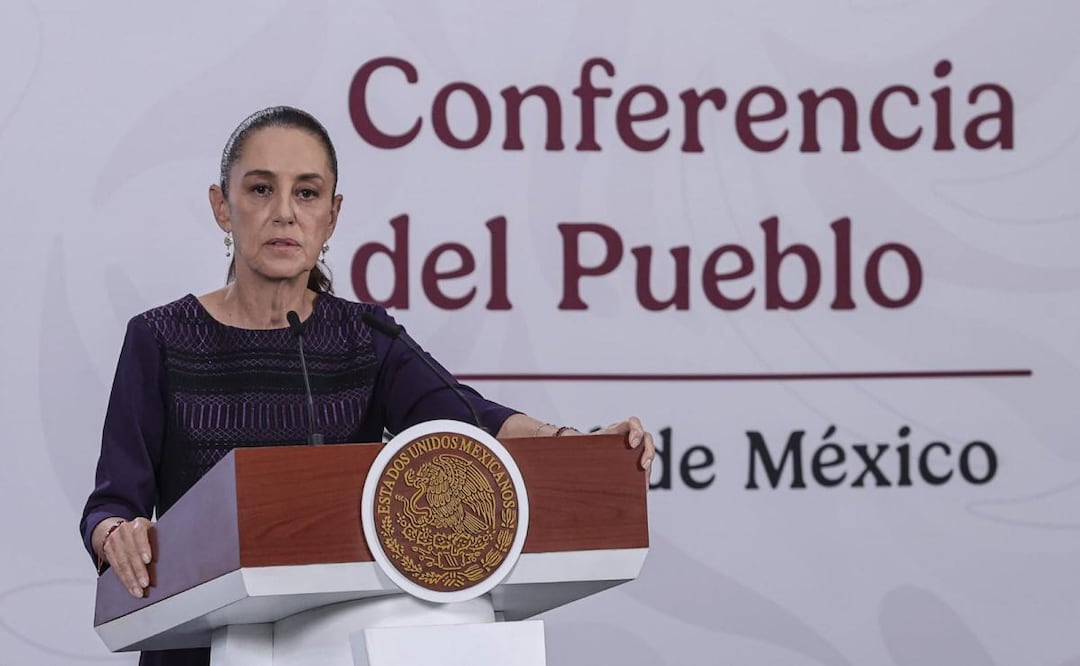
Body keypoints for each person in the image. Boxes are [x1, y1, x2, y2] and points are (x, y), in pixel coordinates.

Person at [79, 106, 654, 666]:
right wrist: (116, 535)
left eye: (306, 193)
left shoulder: (363, 335)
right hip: (200, 646)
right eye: (260, 190)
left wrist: (575, 444)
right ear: (221, 207)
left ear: (332, 214)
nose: (284, 213)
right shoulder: (158, 339)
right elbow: (112, 503)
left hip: (334, 644)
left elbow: (467, 419)